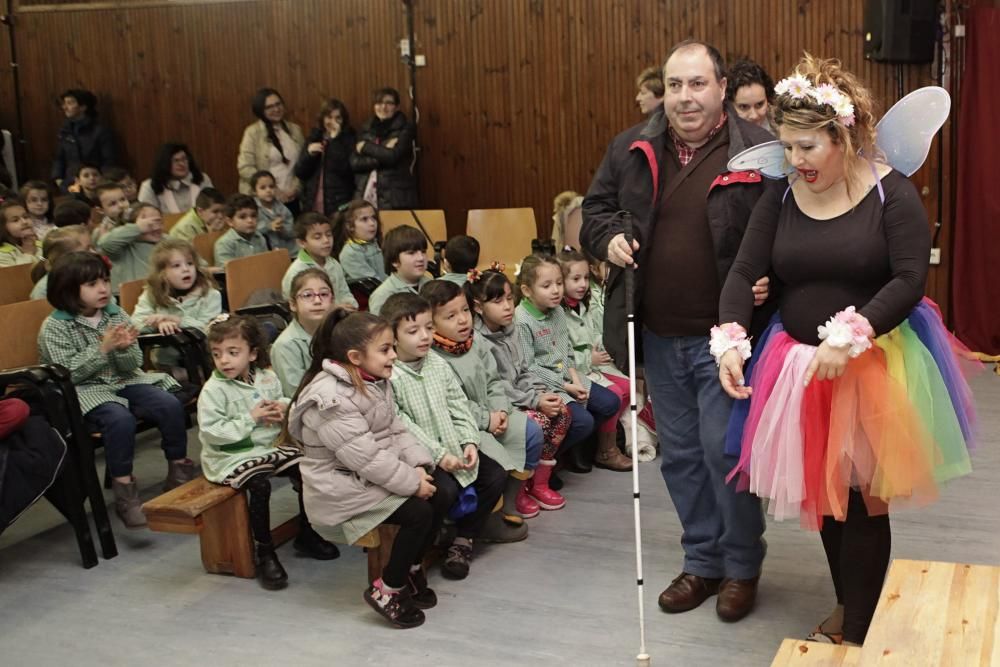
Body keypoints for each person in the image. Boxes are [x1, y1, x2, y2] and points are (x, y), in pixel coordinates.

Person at [715, 54, 975, 646]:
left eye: (808, 147)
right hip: (798, 366)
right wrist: (729, 339)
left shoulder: (891, 194)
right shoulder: (780, 197)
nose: (794, 161)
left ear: (843, 135)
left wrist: (851, 333)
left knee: (863, 500)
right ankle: (849, 602)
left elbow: (910, 279)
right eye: (786, 147)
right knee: (827, 496)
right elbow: (743, 271)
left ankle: (857, 627)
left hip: (874, 363)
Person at [580, 39, 774, 621]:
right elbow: (595, 212)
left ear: (721, 88)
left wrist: (773, 279)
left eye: (696, 84)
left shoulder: (760, 151)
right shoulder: (632, 147)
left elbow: (791, 227)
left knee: (723, 452)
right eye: (674, 86)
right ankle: (703, 562)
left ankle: (742, 565)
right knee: (681, 456)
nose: (684, 98)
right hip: (655, 334)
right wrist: (607, 237)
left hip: (727, 340)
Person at [288, 309, 442, 629]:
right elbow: (366, 457)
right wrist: (412, 484)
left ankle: (410, 572)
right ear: (355, 357)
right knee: (419, 513)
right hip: (339, 491)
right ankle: (388, 589)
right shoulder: (331, 399)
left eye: (392, 348)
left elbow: (395, 430)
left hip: (363, 478)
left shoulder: (371, 380)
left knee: (441, 492)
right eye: (385, 350)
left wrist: (418, 465)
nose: (393, 356)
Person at [38, 252, 193, 528]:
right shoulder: (55, 326)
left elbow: (133, 363)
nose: (103, 289)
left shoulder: (115, 313)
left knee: (169, 405)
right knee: (119, 420)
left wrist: (122, 350)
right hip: (85, 390)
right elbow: (67, 375)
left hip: (124, 380)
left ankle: (178, 473)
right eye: (92, 284)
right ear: (68, 290)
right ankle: (126, 493)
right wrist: (103, 349)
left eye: (105, 281)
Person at [198, 315, 338, 591]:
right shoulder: (213, 390)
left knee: (307, 467)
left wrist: (281, 408)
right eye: (217, 354)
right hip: (230, 456)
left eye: (232, 352)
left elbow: (285, 401)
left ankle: (307, 531)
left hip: (268, 448)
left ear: (252, 353)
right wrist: (250, 418)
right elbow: (212, 431)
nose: (224, 360)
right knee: (259, 485)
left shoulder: (266, 377)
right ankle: (265, 551)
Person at [380, 292, 506, 580]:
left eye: (428, 328)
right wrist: (440, 456)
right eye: (413, 331)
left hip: (453, 445)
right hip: (420, 457)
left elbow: (458, 405)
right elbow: (403, 425)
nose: (424, 336)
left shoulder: (437, 362)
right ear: (394, 338)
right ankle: (420, 554)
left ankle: (463, 539)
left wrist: (469, 441)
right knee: (443, 492)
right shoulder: (391, 374)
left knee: (494, 475)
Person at [423, 279, 543, 530]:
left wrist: (499, 410)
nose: (463, 320)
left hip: (493, 412)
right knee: (492, 462)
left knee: (532, 432)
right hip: (465, 426)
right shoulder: (433, 358)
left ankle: (508, 502)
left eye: (465, 310)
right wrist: (487, 419)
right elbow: (453, 405)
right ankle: (483, 519)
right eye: (451, 316)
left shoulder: (474, 340)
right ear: (431, 324)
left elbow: (494, 380)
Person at [468, 266, 572, 513]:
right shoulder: (479, 341)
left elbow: (523, 369)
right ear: (478, 307)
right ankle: (520, 487)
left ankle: (540, 482)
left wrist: (540, 393)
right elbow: (499, 386)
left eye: (508, 298)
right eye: (497, 301)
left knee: (563, 412)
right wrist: (535, 402)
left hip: (523, 394)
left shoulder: (510, 328)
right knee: (538, 423)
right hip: (503, 402)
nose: (507, 306)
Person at [514, 254, 623, 470]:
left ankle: (569, 450)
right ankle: (545, 463)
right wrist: (566, 386)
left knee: (611, 403)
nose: (556, 290)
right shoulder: (522, 321)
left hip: (568, 376)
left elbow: (567, 350)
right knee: (583, 422)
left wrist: (576, 380)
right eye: (546, 285)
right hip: (542, 384)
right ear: (527, 290)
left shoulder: (558, 311)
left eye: (558, 283)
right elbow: (529, 367)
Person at [558, 249, 632, 470]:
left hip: (592, 364)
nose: (583, 284)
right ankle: (604, 449)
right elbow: (564, 352)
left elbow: (592, 332)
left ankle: (599, 443)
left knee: (627, 387)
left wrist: (603, 345)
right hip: (576, 369)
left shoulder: (583, 304)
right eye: (575, 279)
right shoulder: (558, 311)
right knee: (616, 394)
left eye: (586, 278)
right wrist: (588, 358)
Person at [131, 238, 222, 370]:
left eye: (190, 263)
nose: (186, 269)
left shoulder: (211, 295)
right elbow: (135, 324)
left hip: (204, 361)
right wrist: (157, 324)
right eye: (176, 266)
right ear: (162, 274)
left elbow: (208, 329)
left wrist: (178, 321)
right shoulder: (151, 294)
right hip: (166, 362)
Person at [238, 88, 305, 216]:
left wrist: (295, 188)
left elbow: (304, 164)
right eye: (269, 107)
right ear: (261, 111)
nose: (276, 109)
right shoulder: (252, 133)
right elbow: (245, 168)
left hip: (292, 197)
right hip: (264, 202)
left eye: (278, 104)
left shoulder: (295, 130)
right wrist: (273, 190)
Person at [350, 87, 419, 210]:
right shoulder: (366, 128)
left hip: (394, 197)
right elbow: (355, 163)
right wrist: (383, 150)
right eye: (379, 103)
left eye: (389, 103)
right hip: (365, 193)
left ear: (397, 107)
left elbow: (393, 157)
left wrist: (366, 147)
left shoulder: (405, 128)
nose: (383, 107)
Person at [271, 268, 335, 397]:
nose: (317, 301)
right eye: (307, 295)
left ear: (332, 300)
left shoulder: (341, 330)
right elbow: (296, 395)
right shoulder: (285, 346)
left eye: (323, 294)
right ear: (293, 304)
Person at [280, 212, 357, 308]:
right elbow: (300, 308)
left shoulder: (334, 263)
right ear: (302, 243)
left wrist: (351, 305)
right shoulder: (296, 272)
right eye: (317, 237)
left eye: (328, 235)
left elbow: (344, 292)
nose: (326, 240)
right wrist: (337, 309)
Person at [295, 98, 357, 216]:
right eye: (329, 117)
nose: (333, 122)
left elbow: (346, 170)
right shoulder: (314, 137)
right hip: (313, 201)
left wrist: (335, 141)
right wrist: (309, 155)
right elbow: (300, 172)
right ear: (322, 119)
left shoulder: (349, 139)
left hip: (339, 202)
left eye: (337, 118)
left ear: (343, 120)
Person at [50, 89, 116, 191]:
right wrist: (58, 179)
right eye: (64, 103)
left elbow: (108, 161)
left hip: (94, 184)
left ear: (83, 107)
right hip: (70, 184)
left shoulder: (100, 131)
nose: (65, 107)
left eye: (70, 103)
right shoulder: (65, 130)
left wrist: (101, 183)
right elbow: (59, 158)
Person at [97, 201, 164, 292]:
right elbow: (105, 243)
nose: (155, 227)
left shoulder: (166, 242)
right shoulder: (124, 247)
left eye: (158, 221)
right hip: (130, 296)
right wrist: (138, 228)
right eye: (148, 224)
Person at [366, 224, 429, 315]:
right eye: (411, 253)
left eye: (423, 252)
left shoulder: (431, 285)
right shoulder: (383, 295)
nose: (421, 258)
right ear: (394, 261)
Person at [138, 143, 214, 214]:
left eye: (184, 159)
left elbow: (214, 207)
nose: (181, 164)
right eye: (176, 161)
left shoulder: (202, 179)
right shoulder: (149, 186)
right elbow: (147, 217)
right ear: (165, 163)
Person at [30, 225, 93, 300]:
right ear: (62, 260)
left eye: (92, 248)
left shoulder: (91, 275)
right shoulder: (43, 291)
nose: (94, 253)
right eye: (87, 250)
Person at [335, 199, 386, 283]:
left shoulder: (374, 243)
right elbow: (372, 282)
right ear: (350, 226)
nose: (372, 223)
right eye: (364, 219)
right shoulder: (350, 253)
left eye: (373, 218)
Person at [251, 170, 296, 258]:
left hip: (287, 251)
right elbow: (251, 229)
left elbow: (291, 231)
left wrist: (283, 229)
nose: (268, 190)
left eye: (271, 187)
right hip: (265, 254)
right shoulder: (253, 209)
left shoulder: (282, 208)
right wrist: (268, 226)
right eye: (263, 188)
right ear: (254, 191)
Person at [214, 194, 267, 266]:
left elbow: (266, 264)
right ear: (230, 222)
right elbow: (228, 271)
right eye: (242, 217)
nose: (250, 220)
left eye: (253, 215)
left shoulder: (259, 237)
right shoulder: (224, 244)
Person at [726, 58, 776, 133]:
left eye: (759, 104)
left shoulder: (781, 130)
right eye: (744, 107)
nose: (754, 116)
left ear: (768, 100)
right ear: (730, 106)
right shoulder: (722, 135)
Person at [0, 199, 40, 267]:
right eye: (15, 220)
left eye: (26, 217)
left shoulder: (40, 244)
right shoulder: (2, 254)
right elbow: (15, 276)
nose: (24, 222)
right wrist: (28, 253)